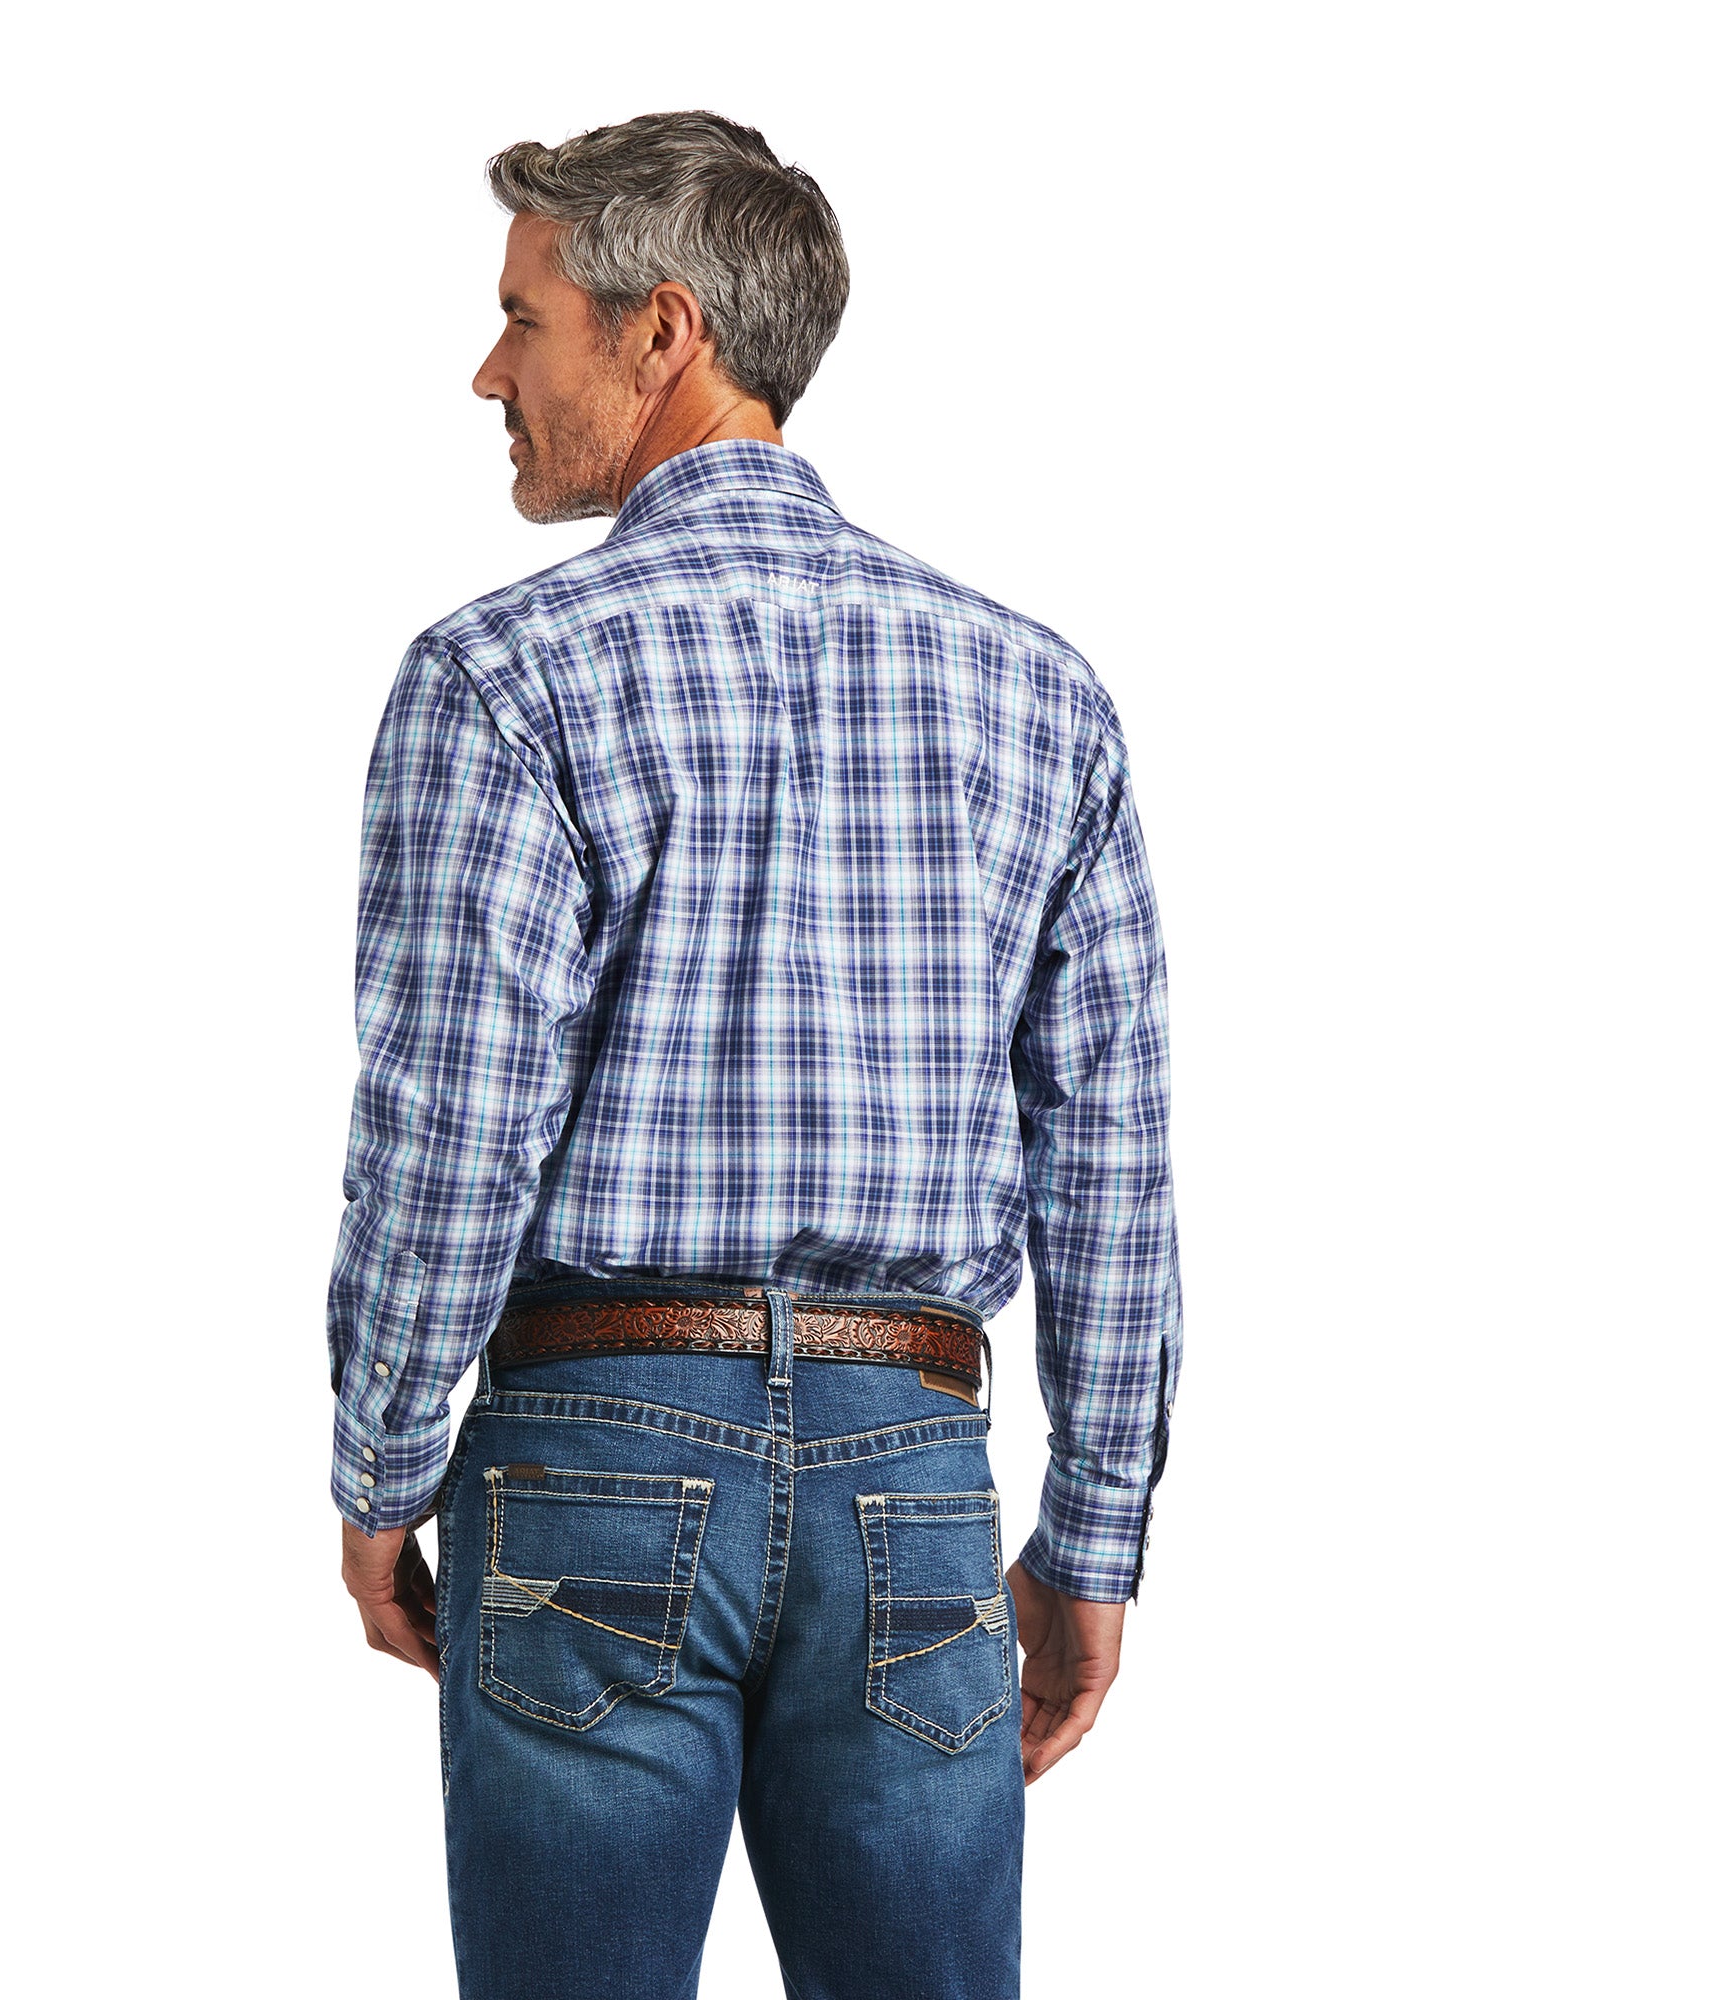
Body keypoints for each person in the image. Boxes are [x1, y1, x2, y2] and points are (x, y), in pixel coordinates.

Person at [327, 110, 1180, 2000]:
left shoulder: (506, 677)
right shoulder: (1037, 694)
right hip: (915, 1475)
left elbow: (452, 1128)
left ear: (664, 331)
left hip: (589, 1465)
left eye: (523, 318)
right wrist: (1093, 1535)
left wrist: (382, 1468)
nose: (487, 372)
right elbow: (1111, 1163)